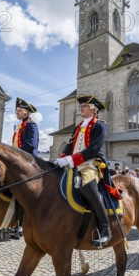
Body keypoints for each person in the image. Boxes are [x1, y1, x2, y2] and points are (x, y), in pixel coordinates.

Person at [53, 95, 111, 248]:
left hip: (89, 165)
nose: (81, 108)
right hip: (72, 164)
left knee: (86, 185)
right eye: (81, 106)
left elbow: (93, 150)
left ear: (93, 109)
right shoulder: (78, 127)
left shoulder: (100, 126)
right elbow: (69, 146)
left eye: (84, 105)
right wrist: (62, 158)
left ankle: (105, 229)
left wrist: (70, 160)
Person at [11, 97, 40, 239]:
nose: (17, 112)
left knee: (24, 191)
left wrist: (13, 154)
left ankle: (21, 224)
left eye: (19, 110)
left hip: (28, 162)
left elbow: (30, 146)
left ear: (26, 112)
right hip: (16, 161)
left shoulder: (31, 125)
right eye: (16, 110)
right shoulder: (18, 126)